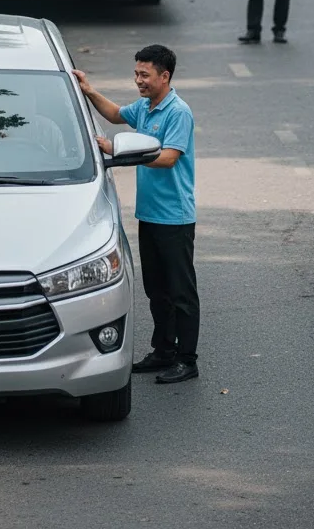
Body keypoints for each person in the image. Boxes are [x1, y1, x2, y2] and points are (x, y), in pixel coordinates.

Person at [73, 46, 199, 385]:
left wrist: (117, 149)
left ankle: (187, 359)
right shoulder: (145, 107)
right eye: (136, 74)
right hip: (150, 214)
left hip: (174, 218)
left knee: (180, 292)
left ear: (164, 76)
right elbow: (116, 114)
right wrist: (88, 90)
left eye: (145, 75)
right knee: (156, 290)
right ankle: (164, 351)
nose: (138, 80)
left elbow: (169, 158)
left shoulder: (178, 112)